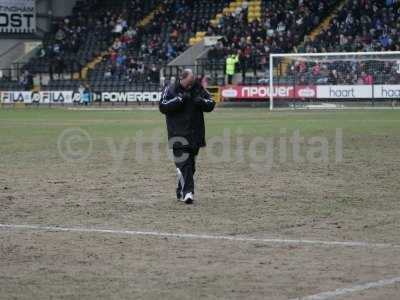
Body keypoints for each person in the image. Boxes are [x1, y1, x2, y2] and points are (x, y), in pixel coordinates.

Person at [159, 69, 215, 204]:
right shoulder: (170, 89)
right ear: (181, 79)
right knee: (185, 165)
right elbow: (162, 106)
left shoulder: (197, 87)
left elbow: (211, 103)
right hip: (177, 135)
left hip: (195, 135)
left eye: (192, 82)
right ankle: (188, 193)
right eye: (188, 83)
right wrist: (179, 99)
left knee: (191, 166)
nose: (190, 85)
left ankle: (180, 191)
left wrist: (200, 101)